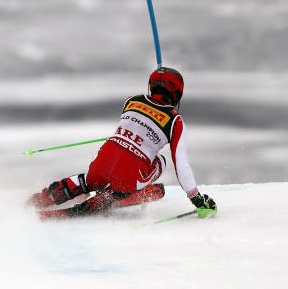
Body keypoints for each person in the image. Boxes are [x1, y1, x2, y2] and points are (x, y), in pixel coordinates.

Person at [29, 66, 217, 219]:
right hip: (129, 177)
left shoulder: (131, 100)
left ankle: (39, 199)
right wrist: (198, 200)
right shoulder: (175, 121)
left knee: (88, 180)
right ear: (177, 93)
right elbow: (181, 165)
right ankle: (111, 197)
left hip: (102, 163)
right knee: (161, 161)